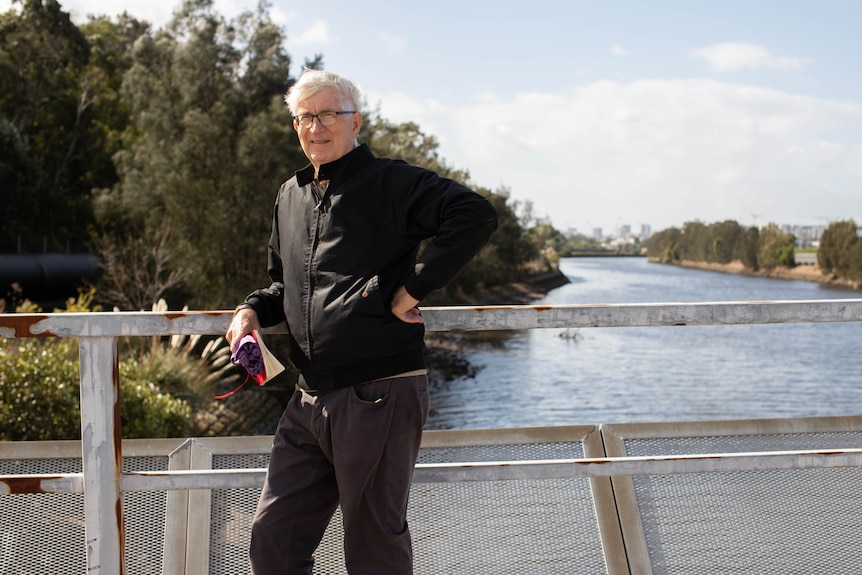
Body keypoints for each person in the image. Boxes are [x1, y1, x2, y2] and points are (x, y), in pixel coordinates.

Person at [225, 68, 498, 575]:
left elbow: (474, 214)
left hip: (379, 393)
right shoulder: (290, 196)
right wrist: (249, 311)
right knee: (273, 542)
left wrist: (412, 288)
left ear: (356, 122)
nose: (316, 126)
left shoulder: (390, 182)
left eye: (329, 114)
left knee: (373, 549)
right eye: (305, 117)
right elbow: (287, 288)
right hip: (307, 399)